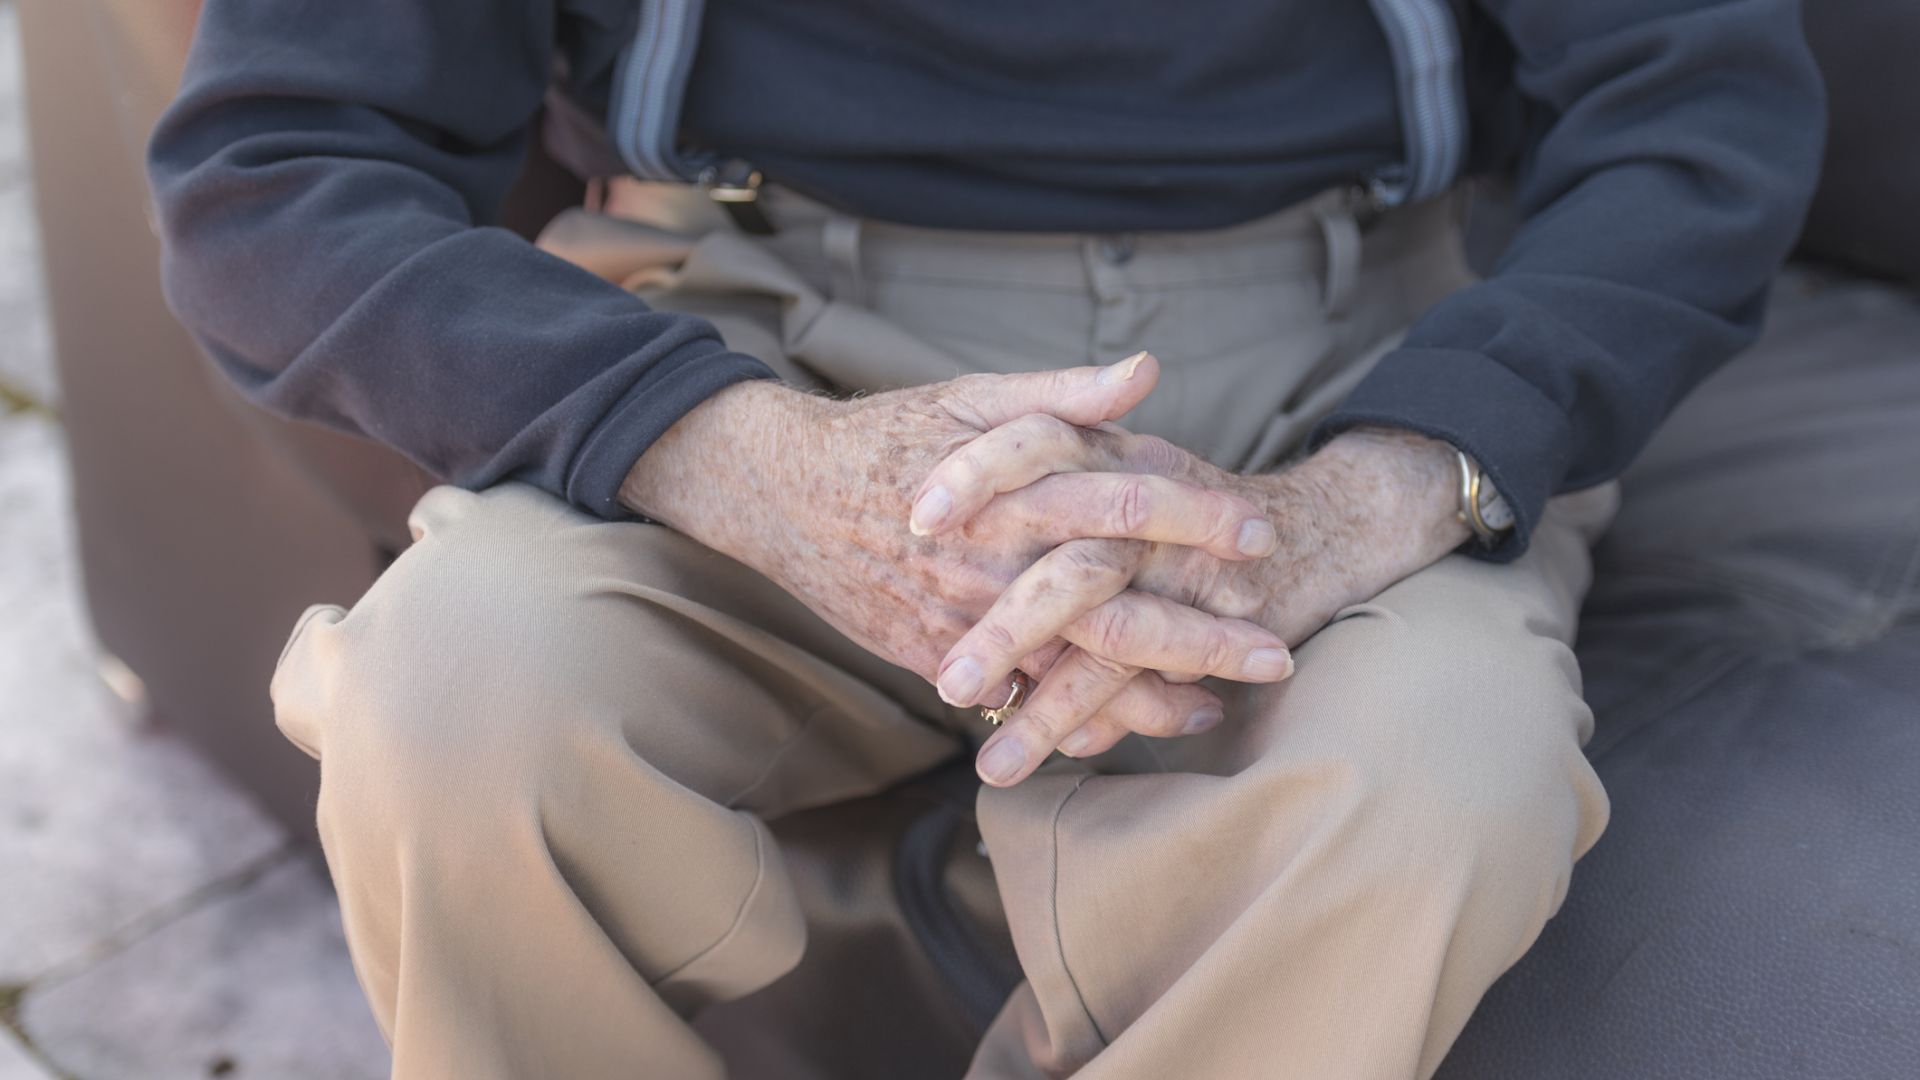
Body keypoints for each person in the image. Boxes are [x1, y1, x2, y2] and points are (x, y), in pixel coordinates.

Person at [147, 1, 1824, 1077]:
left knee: (1448, 768)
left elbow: (1700, 116)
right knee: (451, 695)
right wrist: (748, 461)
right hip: (745, 331)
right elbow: (270, 168)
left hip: (1346, 354)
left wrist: (1359, 495)